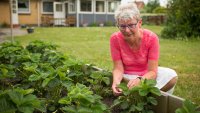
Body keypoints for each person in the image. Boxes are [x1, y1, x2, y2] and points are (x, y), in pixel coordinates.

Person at [110, 3, 178, 96]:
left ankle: (141, 94)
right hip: (126, 77)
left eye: (131, 25)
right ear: (118, 25)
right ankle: (145, 95)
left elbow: (153, 71)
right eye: (122, 26)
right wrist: (116, 82)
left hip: (146, 76)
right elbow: (118, 68)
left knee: (171, 75)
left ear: (140, 23)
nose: (127, 30)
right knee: (122, 81)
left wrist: (140, 80)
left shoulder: (151, 38)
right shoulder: (115, 39)